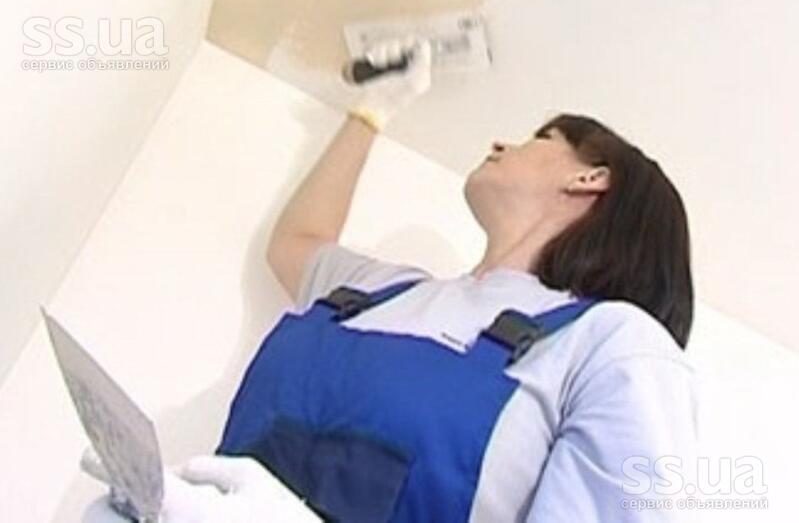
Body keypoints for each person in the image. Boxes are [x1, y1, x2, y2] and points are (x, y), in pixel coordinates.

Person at [82, 35, 698, 522]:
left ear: (591, 178)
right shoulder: (382, 292)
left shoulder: (611, 344)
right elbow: (296, 242)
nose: (500, 142)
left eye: (541, 137)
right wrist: (371, 110)